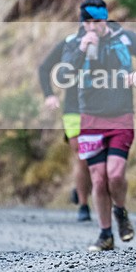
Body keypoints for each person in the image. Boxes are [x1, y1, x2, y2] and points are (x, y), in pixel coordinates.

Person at [60, 0, 136, 252]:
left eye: (98, 21)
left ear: (105, 18)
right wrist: (83, 48)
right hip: (90, 120)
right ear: (82, 22)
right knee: (98, 178)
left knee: (115, 175)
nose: (93, 27)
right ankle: (105, 234)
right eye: (88, 22)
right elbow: (64, 75)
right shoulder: (74, 44)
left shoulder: (124, 38)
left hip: (121, 117)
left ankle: (120, 210)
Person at [38, 28, 92, 222]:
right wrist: (49, 95)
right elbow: (44, 68)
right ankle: (84, 205)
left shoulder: (108, 41)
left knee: (101, 160)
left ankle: (84, 188)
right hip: (73, 109)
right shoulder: (69, 43)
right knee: (82, 156)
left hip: (102, 110)